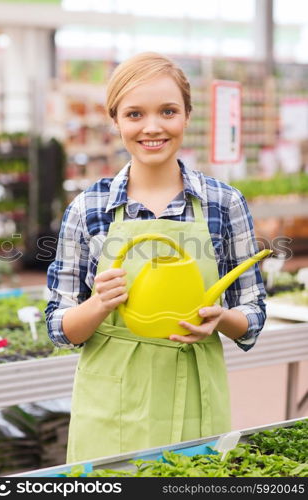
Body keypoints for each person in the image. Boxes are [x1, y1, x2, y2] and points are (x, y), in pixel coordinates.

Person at [45, 52, 267, 464]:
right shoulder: (87, 209)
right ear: (115, 121)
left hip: (195, 395)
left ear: (186, 116)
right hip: (111, 401)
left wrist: (223, 318)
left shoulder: (224, 203)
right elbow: (59, 328)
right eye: (134, 114)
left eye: (168, 111)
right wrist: (98, 304)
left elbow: (252, 312)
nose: (152, 127)